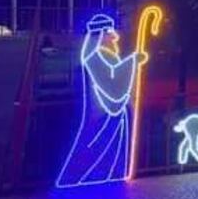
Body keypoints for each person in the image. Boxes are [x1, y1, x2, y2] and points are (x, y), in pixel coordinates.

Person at [57, 14, 147, 187]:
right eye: (110, 32)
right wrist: (133, 61)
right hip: (101, 118)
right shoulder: (94, 58)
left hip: (111, 117)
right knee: (93, 151)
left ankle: (108, 177)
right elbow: (113, 89)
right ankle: (82, 179)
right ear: (100, 35)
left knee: (109, 154)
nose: (115, 36)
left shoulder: (104, 56)